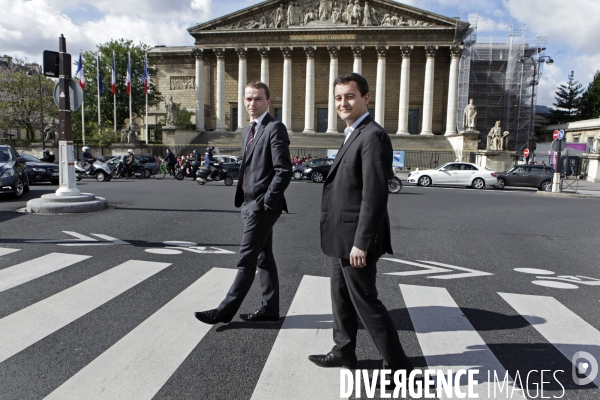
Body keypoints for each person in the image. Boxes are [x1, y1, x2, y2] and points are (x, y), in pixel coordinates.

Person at [308, 73, 413, 377]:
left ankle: (398, 366)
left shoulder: (372, 135)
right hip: (342, 234)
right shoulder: (354, 132)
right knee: (340, 297)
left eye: (350, 96)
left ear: (366, 98)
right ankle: (344, 350)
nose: (343, 102)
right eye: (339, 97)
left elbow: (375, 194)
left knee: (366, 303)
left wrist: (361, 242)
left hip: (356, 238)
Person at [194, 81, 292, 325]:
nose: (252, 103)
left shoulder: (275, 128)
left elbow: (284, 170)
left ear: (268, 102)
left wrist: (267, 202)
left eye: (258, 98)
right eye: (248, 99)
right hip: (248, 203)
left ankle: (224, 311)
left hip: (262, 206)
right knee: (264, 258)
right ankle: (270, 309)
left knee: (246, 259)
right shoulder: (247, 131)